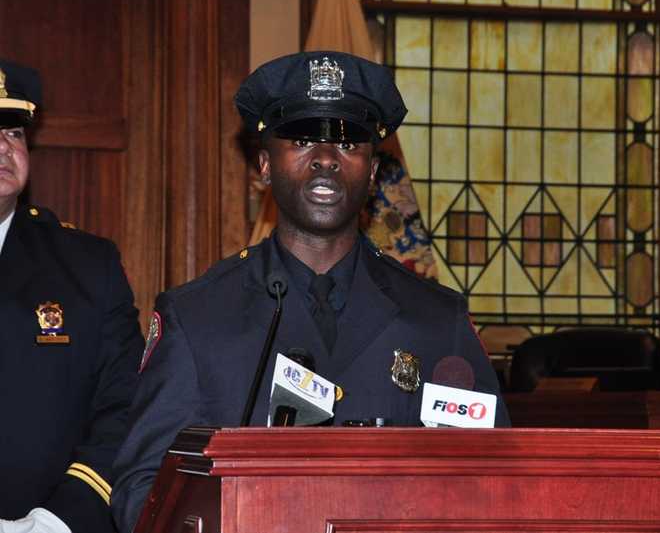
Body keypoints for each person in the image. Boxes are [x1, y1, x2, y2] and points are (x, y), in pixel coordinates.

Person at [110, 51, 510, 533]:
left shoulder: (436, 320)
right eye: (302, 140)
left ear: (374, 172)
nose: (325, 158)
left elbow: (495, 486)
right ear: (263, 165)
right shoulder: (197, 317)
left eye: (348, 143)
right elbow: (143, 493)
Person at [0, 60, 144, 533]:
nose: (4, 146)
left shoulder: (88, 267)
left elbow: (124, 405)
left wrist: (58, 520)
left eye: (14, 132)